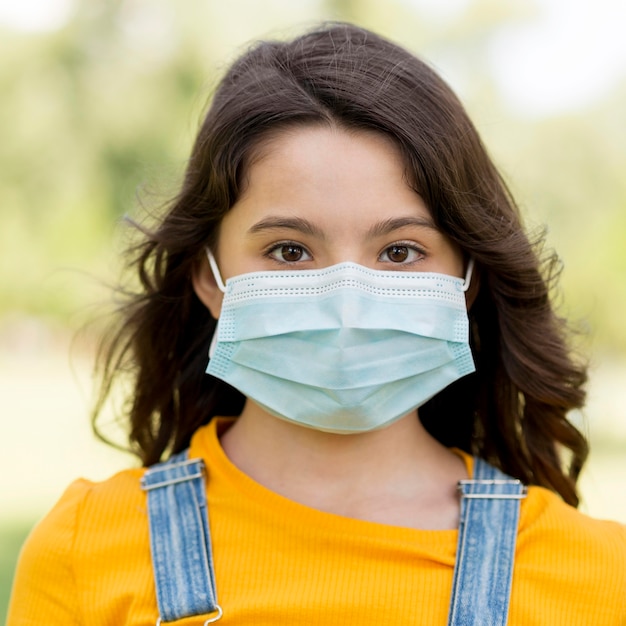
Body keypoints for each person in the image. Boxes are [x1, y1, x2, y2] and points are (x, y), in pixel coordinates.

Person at [7, 22, 625, 626]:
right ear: (208, 278)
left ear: (468, 281)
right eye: (289, 250)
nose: (347, 301)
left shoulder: (599, 578)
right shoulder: (82, 551)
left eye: (401, 251)